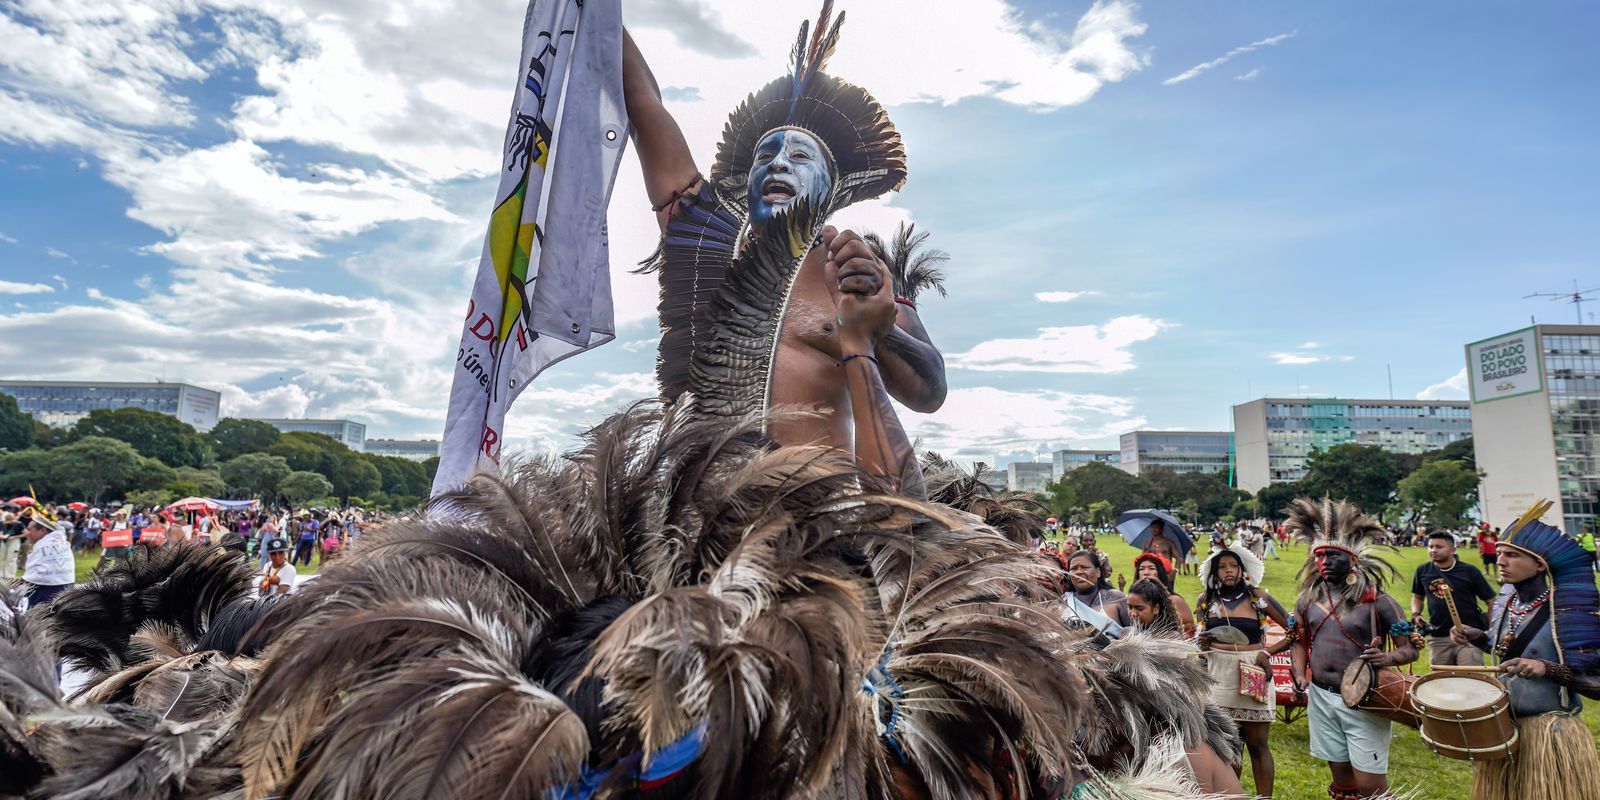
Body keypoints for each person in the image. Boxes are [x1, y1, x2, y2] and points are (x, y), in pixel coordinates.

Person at [623, 12, 945, 495]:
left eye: (799, 157)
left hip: (818, 531)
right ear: (747, 180)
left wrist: (873, 330)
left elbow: (929, 392)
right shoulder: (705, 240)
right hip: (696, 529)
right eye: (764, 156)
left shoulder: (857, 268)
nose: (777, 163)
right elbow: (644, 104)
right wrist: (597, 15)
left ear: (832, 187)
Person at [1451, 500, 1600, 800]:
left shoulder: (1567, 611)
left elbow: (1596, 686)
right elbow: (1504, 649)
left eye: (1512, 555)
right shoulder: (1507, 604)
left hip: (1550, 736)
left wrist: (1549, 669)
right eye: (1501, 554)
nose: (1501, 561)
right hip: (1503, 730)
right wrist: (1478, 637)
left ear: (1540, 564)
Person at [1286, 498, 1417, 800]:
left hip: (1364, 697)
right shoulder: (1307, 600)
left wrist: (1385, 657)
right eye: (1319, 556)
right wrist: (1299, 674)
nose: (1324, 562)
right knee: (1343, 781)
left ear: (1353, 559)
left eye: (1332, 555)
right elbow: (1299, 640)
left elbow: (1409, 651)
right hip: (1320, 696)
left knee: (1372, 787)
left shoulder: (1378, 601)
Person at [1195, 540, 1292, 797]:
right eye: (1222, 567)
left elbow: (1295, 630)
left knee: (1257, 744)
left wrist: (1267, 652)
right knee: (1227, 744)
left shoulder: (1259, 598)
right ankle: (1231, 795)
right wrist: (1202, 642)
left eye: (1233, 566)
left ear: (1242, 569)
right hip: (1218, 676)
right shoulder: (1206, 600)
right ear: (1215, 573)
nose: (1228, 571)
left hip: (1253, 671)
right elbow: (1200, 641)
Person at [1409, 529, 1496, 666]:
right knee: (1442, 681)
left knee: (1470, 679)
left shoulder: (1469, 571)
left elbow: (1491, 601)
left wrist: (1491, 629)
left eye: (1439, 547)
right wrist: (1416, 614)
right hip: (1438, 636)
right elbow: (1417, 596)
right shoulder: (1423, 570)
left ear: (1453, 549)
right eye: (1431, 546)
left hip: (1468, 636)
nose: (1433, 550)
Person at [18, 510, 74, 611]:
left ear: (43, 530)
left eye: (30, 529)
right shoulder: (61, 542)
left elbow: (33, 578)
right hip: (67, 588)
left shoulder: (43, 546)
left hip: (45, 591)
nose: (27, 533)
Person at [1132, 551, 1196, 636]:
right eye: (1142, 569)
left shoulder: (1175, 600)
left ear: (1160, 572)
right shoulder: (1132, 600)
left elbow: (1190, 629)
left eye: (1151, 568)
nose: (1146, 572)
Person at [1064, 550, 1132, 629]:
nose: (1079, 572)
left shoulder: (1116, 598)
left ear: (1098, 572)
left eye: (1084, 567)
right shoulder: (1063, 603)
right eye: (1074, 568)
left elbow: (1133, 633)